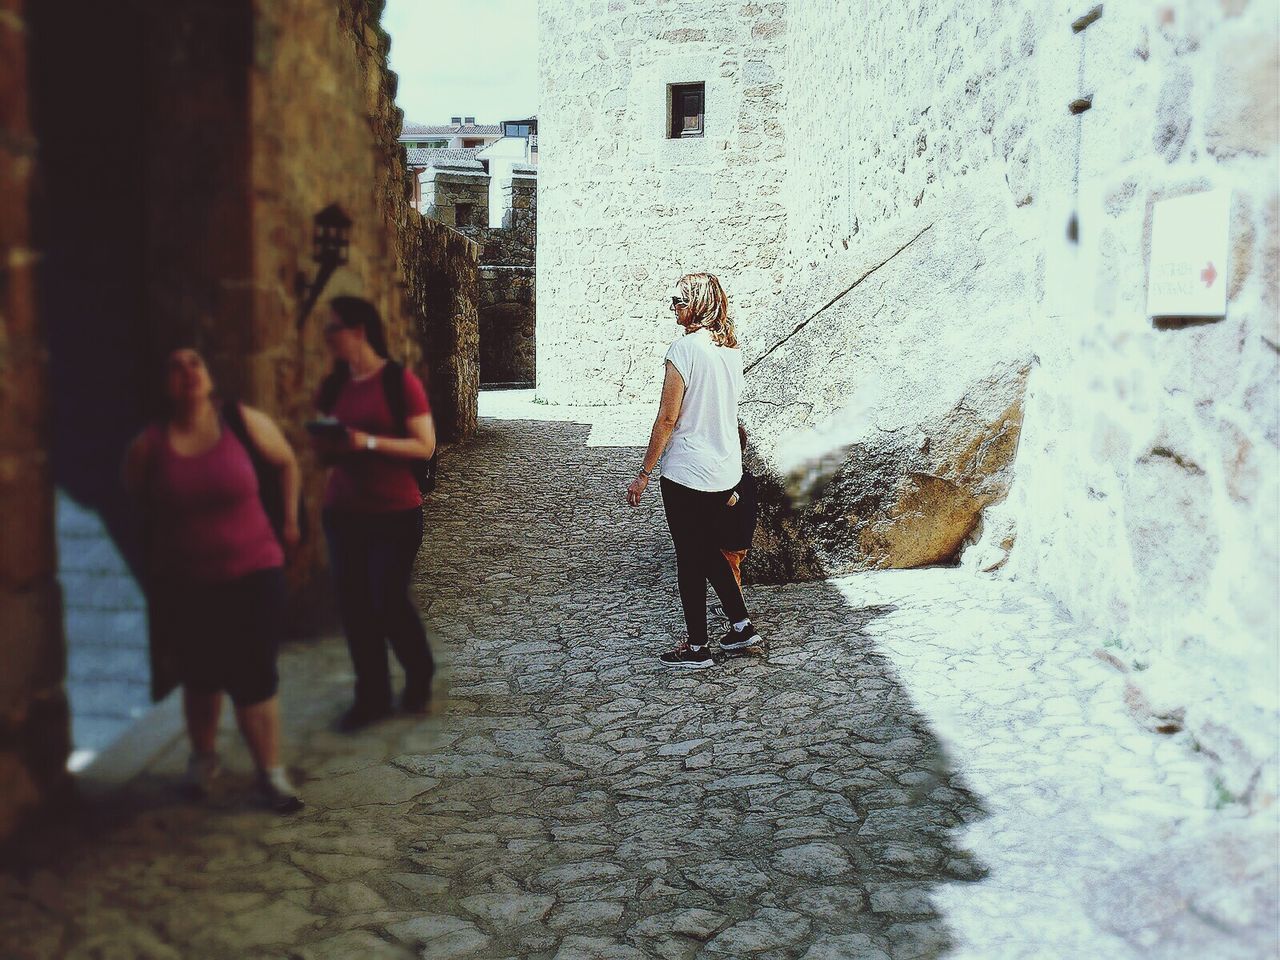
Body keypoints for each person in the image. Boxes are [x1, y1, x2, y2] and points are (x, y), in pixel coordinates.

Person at [122, 346, 304, 813]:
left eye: (195, 363)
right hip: (189, 582)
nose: (187, 372)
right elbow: (134, 505)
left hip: (255, 572)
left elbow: (286, 462)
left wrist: (288, 521)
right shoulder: (150, 445)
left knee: (254, 675)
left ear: (209, 375)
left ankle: (271, 773)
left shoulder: (241, 422)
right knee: (200, 676)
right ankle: (203, 760)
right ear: (163, 384)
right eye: (175, 365)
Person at [314, 295, 437, 729]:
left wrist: (365, 442)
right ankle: (373, 695)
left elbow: (424, 445)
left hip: (395, 512)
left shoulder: (398, 384)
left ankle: (418, 672)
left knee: (386, 598)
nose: (326, 338)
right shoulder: (334, 386)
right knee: (354, 606)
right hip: (344, 511)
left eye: (333, 329)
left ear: (358, 331)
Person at [626, 273, 761, 667]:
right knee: (706, 550)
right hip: (723, 471)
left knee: (690, 556)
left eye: (679, 299)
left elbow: (667, 418)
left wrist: (645, 471)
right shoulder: (731, 353)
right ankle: (740, 626)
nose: (673, 305)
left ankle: (698, 647)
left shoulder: (682, 350)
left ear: (699, 303)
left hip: (687, 470)